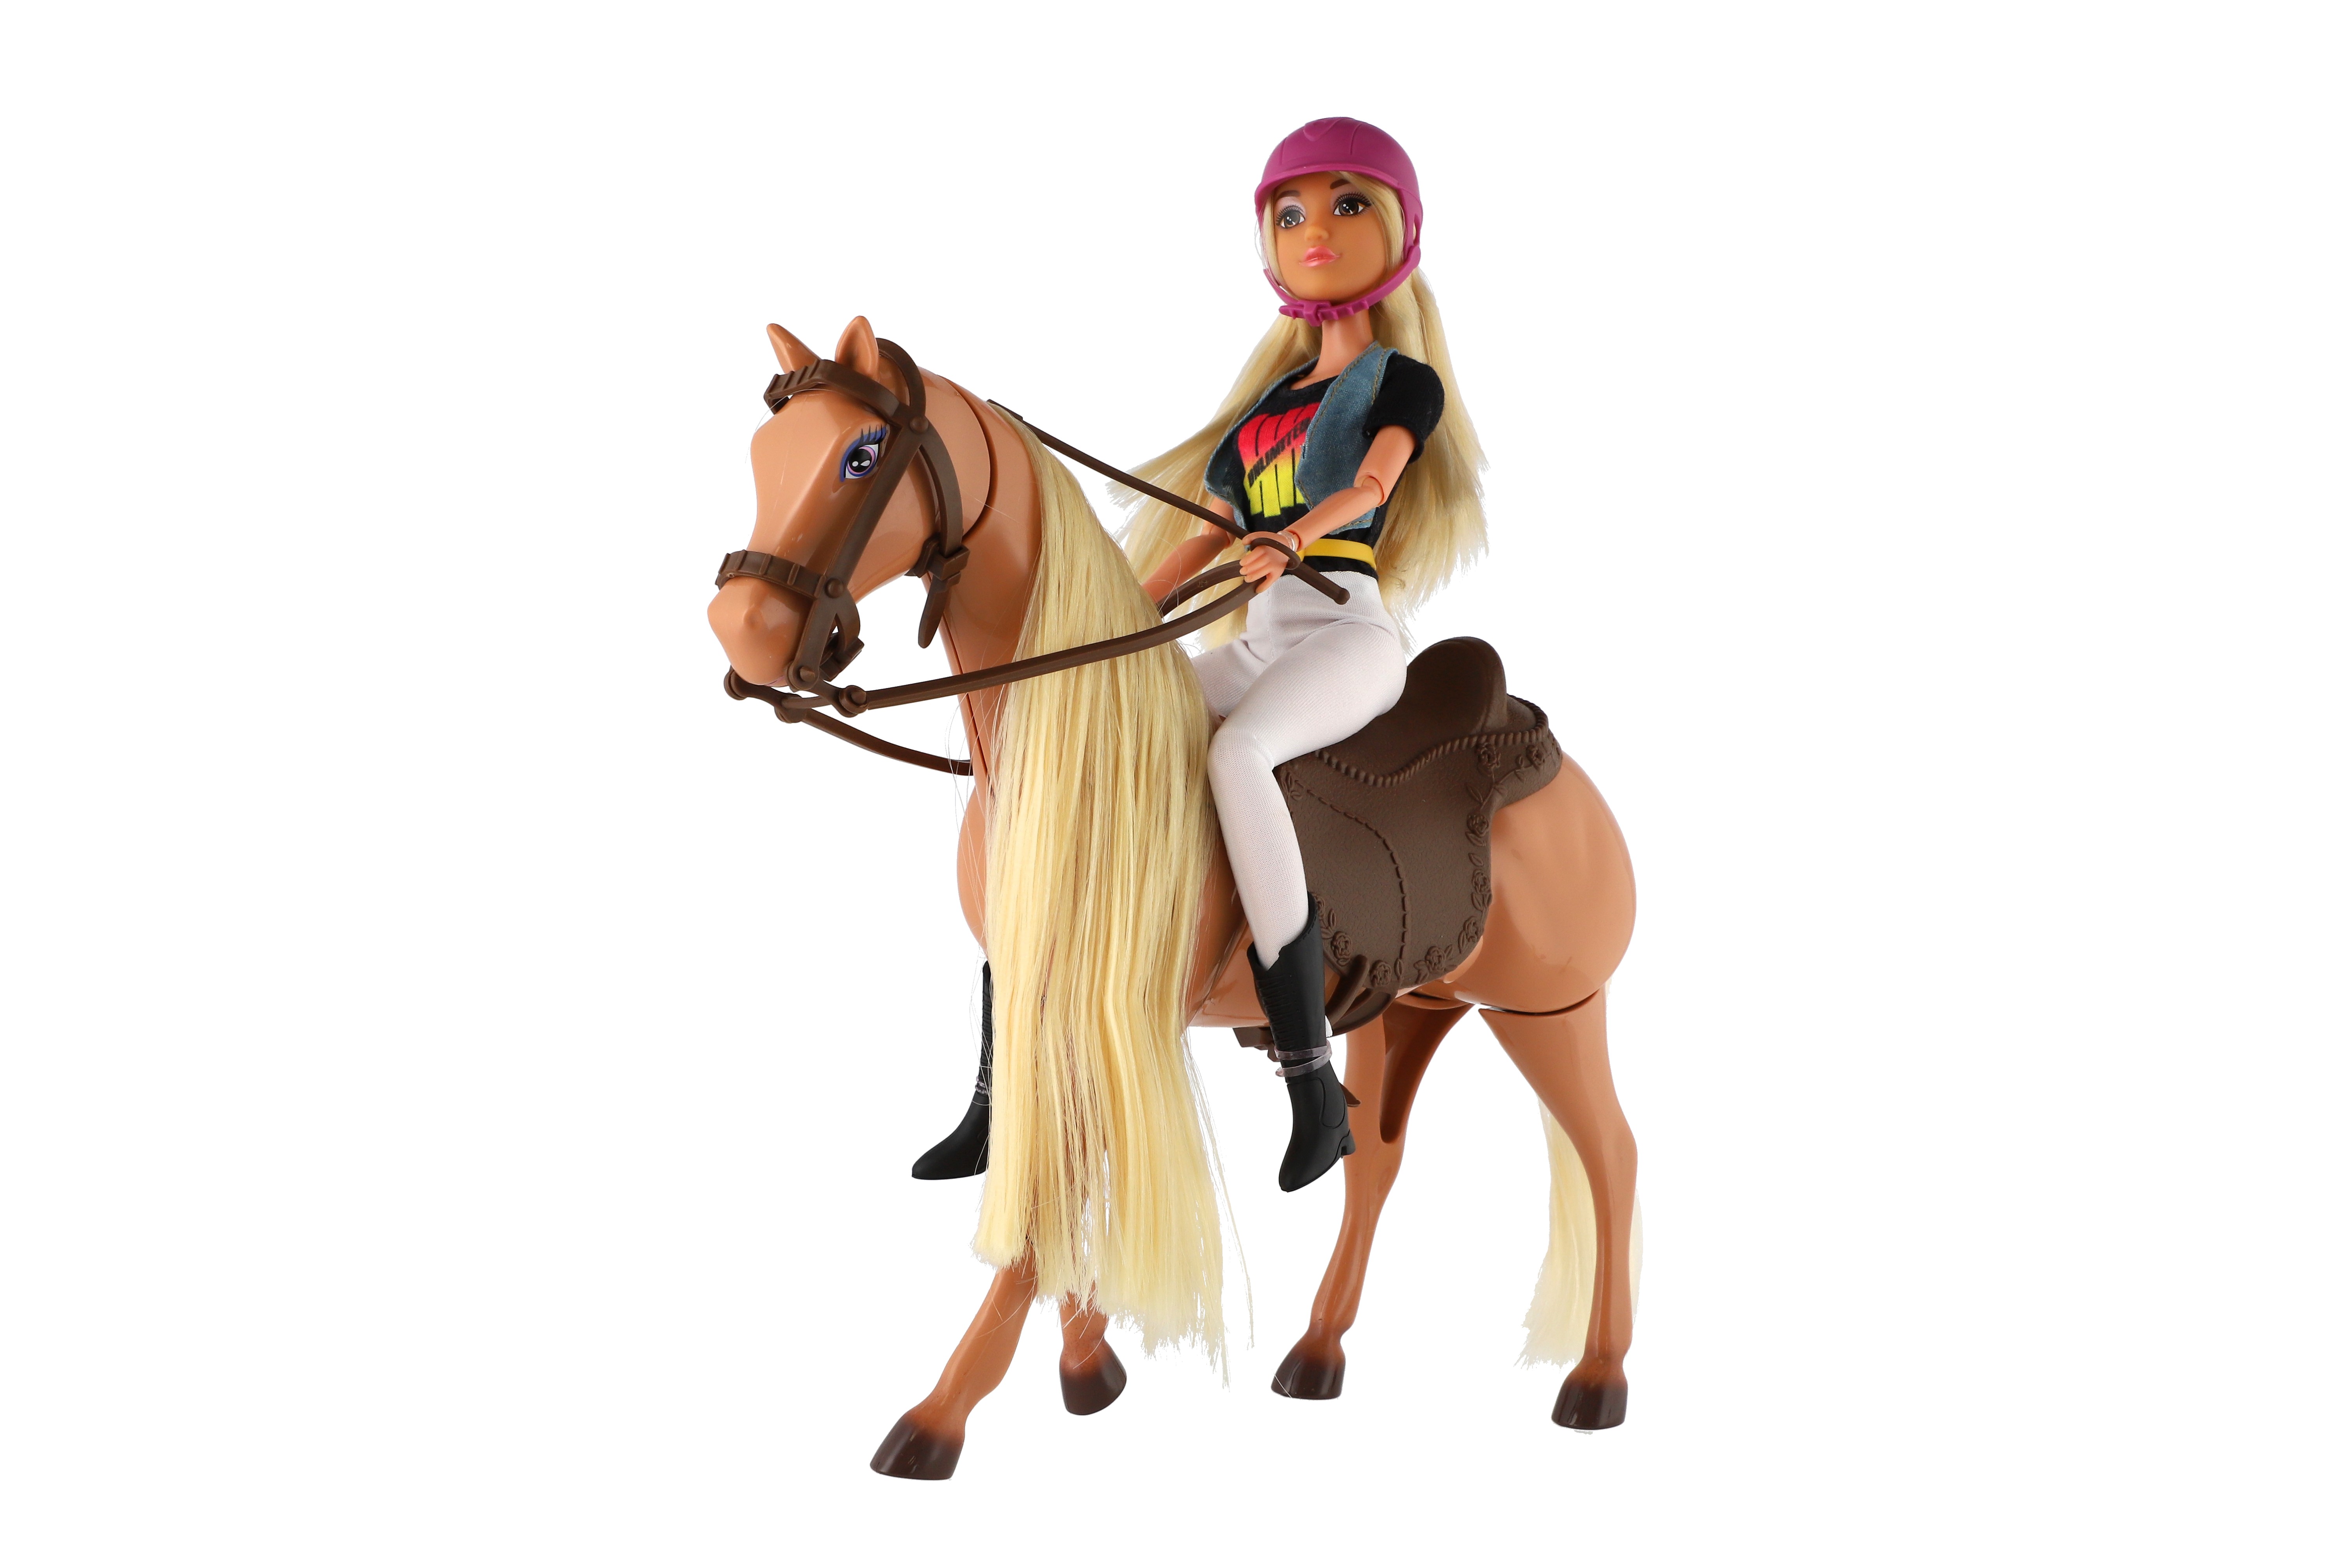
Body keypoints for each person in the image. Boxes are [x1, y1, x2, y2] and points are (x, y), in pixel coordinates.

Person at [1127, 117, 1490, 1191]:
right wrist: (1118, 614)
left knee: (1239, 754)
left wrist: (1292, 536)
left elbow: (1374, 484)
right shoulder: (1260, 415)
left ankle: (1310, 1076)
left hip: (1347, 633)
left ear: (1397, 233)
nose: (1314, 229)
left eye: (1347, 205)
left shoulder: (1397, 382)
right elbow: (1203, 534)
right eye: (1290, 214)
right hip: (1265, 636)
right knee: (1131, 719)